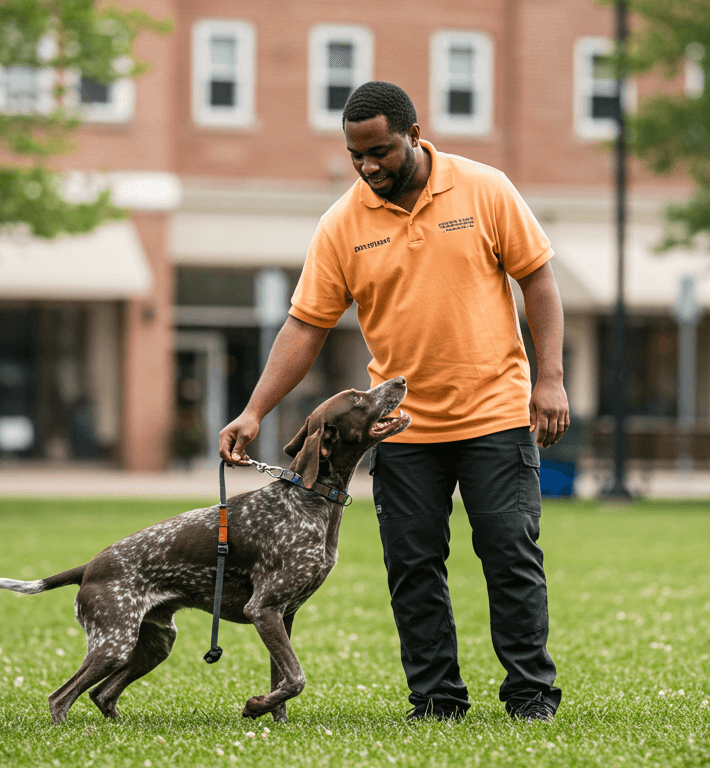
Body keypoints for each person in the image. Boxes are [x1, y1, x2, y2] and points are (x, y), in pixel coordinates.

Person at [218, 81, 569, 723]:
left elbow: (538, 281)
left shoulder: (485, 189)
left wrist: (550, 379)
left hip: (494, 414)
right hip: (399, 428)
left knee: (510, 553)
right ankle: (436, 699)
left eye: (379, 150)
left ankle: (531, 696)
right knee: (412, 565)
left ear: (413, 132)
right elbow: (305, 327)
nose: (368, 166)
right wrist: (254, 409)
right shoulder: (342, 223)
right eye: (356, 154)